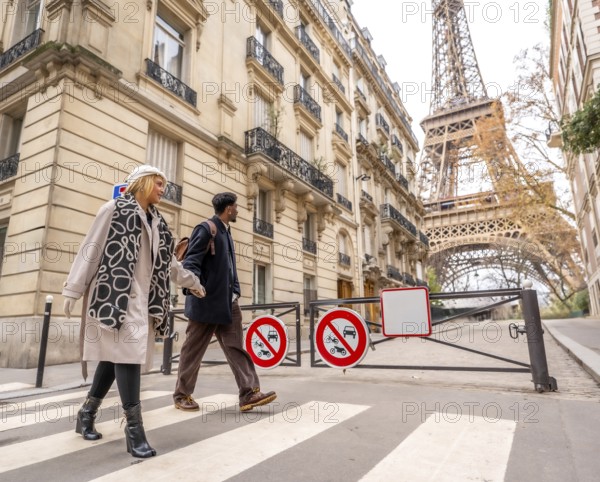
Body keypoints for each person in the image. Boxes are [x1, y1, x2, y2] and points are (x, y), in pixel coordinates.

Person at [62, 164, 205, 458]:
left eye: (165, 184)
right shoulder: (113, 209)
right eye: (159, 183)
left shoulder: (159, 225)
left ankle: (87, 413)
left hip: (143, 302)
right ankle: (134, 430)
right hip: (115, 298)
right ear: (142, 182)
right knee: (126, 358)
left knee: (114, 358)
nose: (163, 189)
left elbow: (171, 266)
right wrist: (73, 290)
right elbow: (91, 248)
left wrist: (194, 283)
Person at [173, 192, 277, 412]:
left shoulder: (226, 233)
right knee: (193, 350)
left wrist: (236, 290)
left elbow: (228, 268)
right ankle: (182, 395)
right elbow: (191, 263)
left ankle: (249, 393)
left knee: (236, 347)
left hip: (228, 303)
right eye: (236, 207)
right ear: (229, 209)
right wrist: (195, 287)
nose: (238, 210)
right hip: (206, 302)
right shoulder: (207, 229)